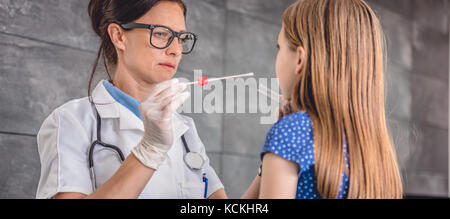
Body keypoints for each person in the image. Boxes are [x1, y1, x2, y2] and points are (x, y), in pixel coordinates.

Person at [36, 0, 227, 199]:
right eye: (161, 34)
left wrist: (261, 174)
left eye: (180, 38)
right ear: (119, 36)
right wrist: (149, 150)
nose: (176, 50)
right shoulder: (71, 121)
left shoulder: (185, 129)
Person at [242, 0, 403, 199]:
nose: (277, 54)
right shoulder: (376, 150)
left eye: (279, 46)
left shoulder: (291, 133)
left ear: (299, 59)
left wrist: (281, 140)